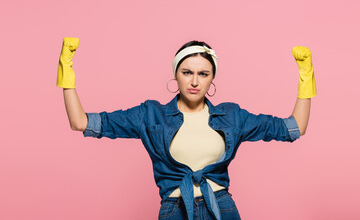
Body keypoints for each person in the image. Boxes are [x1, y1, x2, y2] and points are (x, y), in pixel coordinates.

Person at [57, 37, 316, 220]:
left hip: (222, 209)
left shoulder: (232, 116)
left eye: (203, 74)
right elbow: (81, 122)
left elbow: (294, 128)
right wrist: (67, 71)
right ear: (176, 74)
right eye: (187, 72)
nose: (194, 81)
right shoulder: (150, 115)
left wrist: (306, 76)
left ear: (212, 77)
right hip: (174, 209)